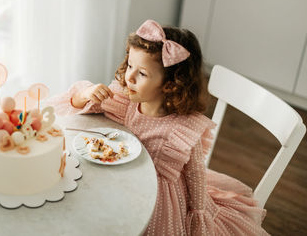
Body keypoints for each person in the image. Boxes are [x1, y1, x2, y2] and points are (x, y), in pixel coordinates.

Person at [51, 20, 268, 235]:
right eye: (130, 65)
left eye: (142, 73)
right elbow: (81, 107)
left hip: (159, 199)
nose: (129, 77)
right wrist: (84, 94)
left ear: (171, 84)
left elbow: (195, 173)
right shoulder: (126, 100)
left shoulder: (180, 128)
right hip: (120, 180)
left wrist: (198, 214)